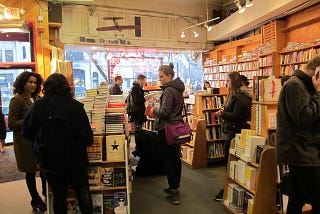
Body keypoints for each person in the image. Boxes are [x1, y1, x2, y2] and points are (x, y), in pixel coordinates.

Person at [23, 73, 94, 214]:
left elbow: (27, 132)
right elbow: (87, 138)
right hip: (75, 159)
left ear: (46, 87)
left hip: (49, 160)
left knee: (59, 195)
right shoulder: (75, 107)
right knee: (82, 191)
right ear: (66, 87)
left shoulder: (38, 106)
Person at [276, 56, 320, 213]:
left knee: (297, 198)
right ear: (317, 71)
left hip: (303, 150)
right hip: (301, 153)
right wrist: (319, 93)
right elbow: (304, 118)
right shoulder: (295, 86)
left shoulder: (305, 86)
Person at [8, 71, 47, 211]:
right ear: (23, 83)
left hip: (38, 140)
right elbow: (11, 123)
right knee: (30, 172)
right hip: (24, 142)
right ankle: (35, 199)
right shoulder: (17, 100)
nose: (32, 85)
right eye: (30, 82)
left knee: (43, 169)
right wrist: (31, 120)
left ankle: (44, 193)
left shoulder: (37, 98)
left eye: (35, 82)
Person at [150, 62, 185, 205]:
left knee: (169, 160)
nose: (160, 80)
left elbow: (165, 112)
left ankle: (174, 190)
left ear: (169, 76)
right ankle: (174, 186)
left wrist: (154, 110)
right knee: (175, 158)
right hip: (176, 128)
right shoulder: (177, 89)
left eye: (162, 77)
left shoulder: (169, 90)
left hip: (167, 129)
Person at [214, 71, 252, 201]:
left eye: (228, 81)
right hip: (230, 132)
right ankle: (228, 188)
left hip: (235, 133)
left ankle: (228, 189)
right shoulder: (235, 95)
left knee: (230, 163)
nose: (226, 83)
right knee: (229, 163)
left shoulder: (241, 97)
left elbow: (237, 116)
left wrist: (222, 114)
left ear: (234, 82)